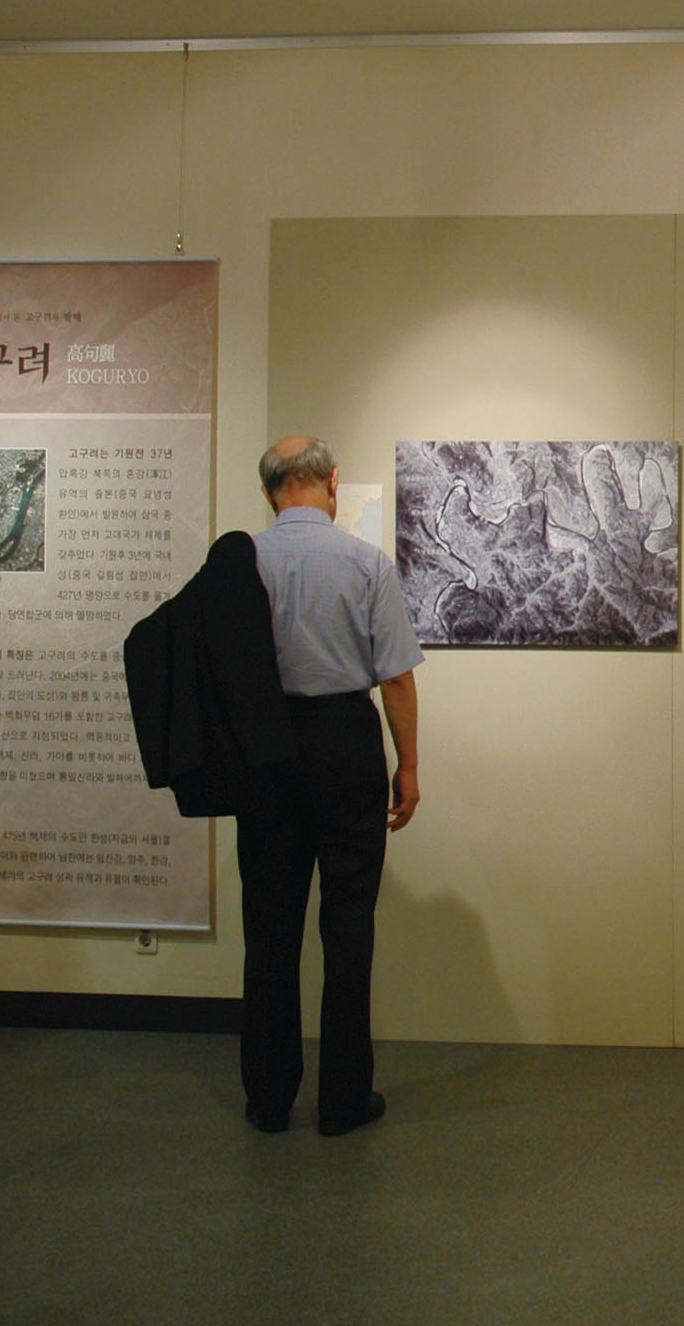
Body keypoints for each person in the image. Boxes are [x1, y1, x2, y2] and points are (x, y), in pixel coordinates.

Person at [241, 435, 424, 1136]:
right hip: (346, 744)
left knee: (270, 926)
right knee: (348, 927)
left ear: (269, 492)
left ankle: (268, 1096)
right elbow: (397, 676)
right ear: (332, 484)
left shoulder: (245, 564)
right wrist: (406, 767)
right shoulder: (365, 562)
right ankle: (343, 1098)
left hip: (267, 753)